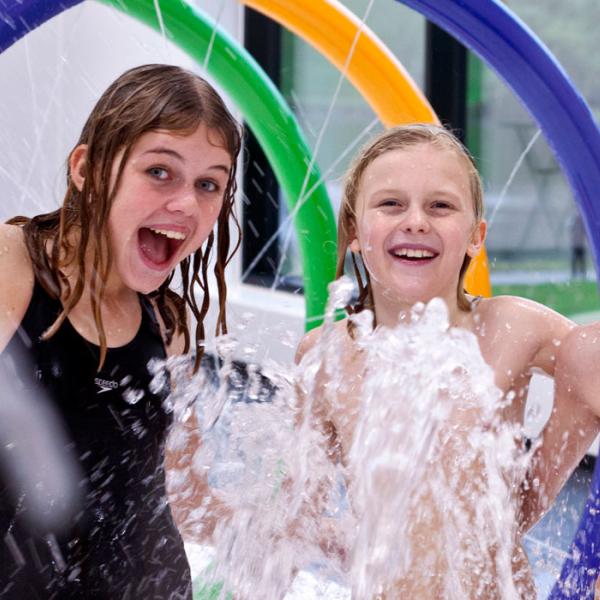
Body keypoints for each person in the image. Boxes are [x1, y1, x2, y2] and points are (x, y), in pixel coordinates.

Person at [295, 124, 574, 598]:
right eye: (391, 204)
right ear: (355, 232)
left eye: (440, 206)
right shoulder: (324, 354)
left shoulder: (509, 328)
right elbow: (301, 513)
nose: (416, 221)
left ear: (475, 236)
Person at [0, 64, 241, 599]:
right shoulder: (11, 267)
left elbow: (182, 493)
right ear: (87, 168)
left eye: (209, 184)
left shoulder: (169, 323)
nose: (185, 204)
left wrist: (280, 529)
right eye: (160, 171)